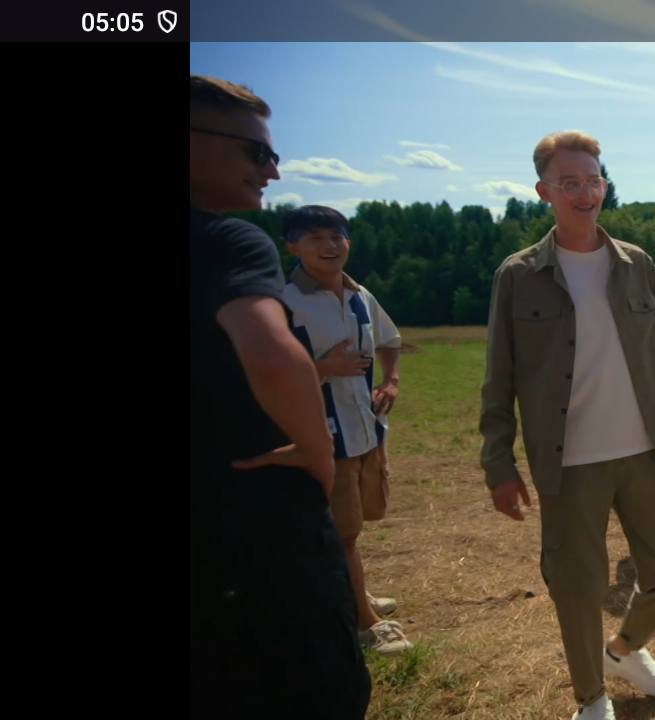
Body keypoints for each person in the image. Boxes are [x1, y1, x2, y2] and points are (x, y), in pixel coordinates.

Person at [479, 130, 655, 720]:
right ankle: (591, 699)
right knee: (577, 586)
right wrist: (497, 462)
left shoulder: (636, 264)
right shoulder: (518, 274)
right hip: (568, 460)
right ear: (544, 191)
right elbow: (498, 375)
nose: (585, 192)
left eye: (593, 180)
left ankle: (624, 650)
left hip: (644, 449)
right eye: (569, 182)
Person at [190, 74, 371, 719]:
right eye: (257, 151)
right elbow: (272, 353)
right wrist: (316, 452)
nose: (272, 170)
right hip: (251, 516)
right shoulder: (224, 240)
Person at [280, 204, 413, 655]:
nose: (329, 246)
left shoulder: (360, 295)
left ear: (348, 243)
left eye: (336, 237)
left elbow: (390, 340)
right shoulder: (282, 302)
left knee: (356, 523)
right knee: (342, 532)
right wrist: (323, 367)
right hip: (323, 435)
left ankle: (354, 591)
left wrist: (390, 381)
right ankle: (363, 621)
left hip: (365, 430)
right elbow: (264, 371)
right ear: (292, 247)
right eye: (315, 238)